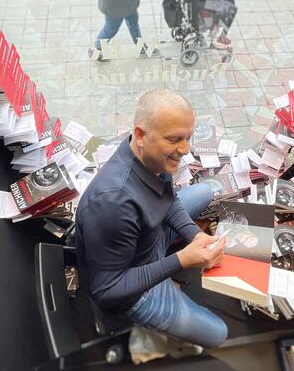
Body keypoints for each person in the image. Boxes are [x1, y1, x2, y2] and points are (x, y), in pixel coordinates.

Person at [74, 88, 228, 348]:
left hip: (147, 240)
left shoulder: (152, 157)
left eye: (188, 138)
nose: (185, 150)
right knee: (218, 334)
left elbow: (167, 200)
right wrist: (181, 260)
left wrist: (195, 234)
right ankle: (142, 326)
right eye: (175, 139)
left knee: (207, 190)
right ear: (140, 135)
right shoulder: (113, 204)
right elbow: (107, 292)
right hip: (134, 290)